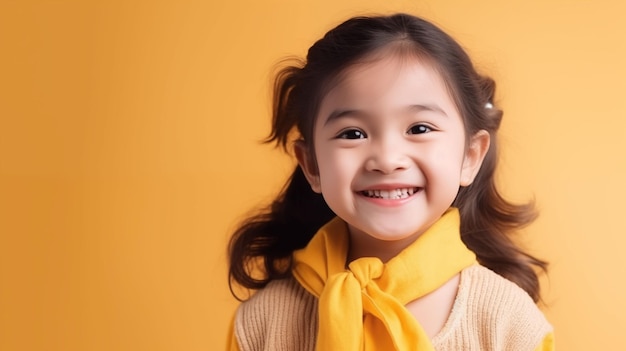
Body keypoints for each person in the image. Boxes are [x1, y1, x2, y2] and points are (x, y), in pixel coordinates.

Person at [226, 13, 554, 351]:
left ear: (470, 156)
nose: (386, 159)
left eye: (419, 129)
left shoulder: (509, 324)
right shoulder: (261, 323)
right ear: (312, 165)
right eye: (352, 133)